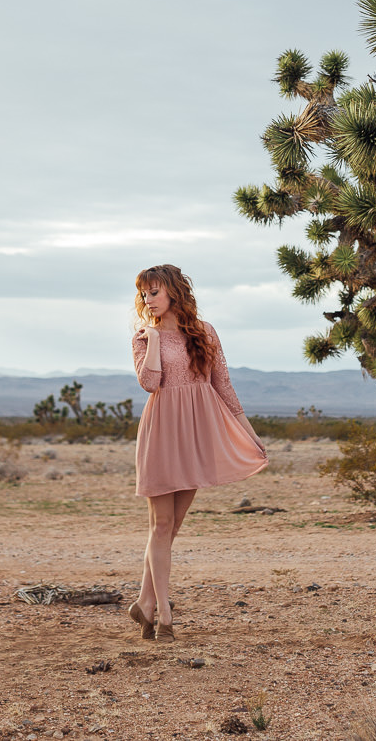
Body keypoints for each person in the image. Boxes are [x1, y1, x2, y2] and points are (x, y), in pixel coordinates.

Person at [128, 263, 267, 643]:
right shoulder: (144, 337)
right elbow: (150, 383)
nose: (147, 300)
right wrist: (154, 341)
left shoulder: (205, 334)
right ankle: (164, 612)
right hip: (161, 433)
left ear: (173, 291)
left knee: (172, 528)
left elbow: (224, 387)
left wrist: (250, 435)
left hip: (196, 435)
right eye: (143, 294)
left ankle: (143, 603)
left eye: (153, 292)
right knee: (159, 525)